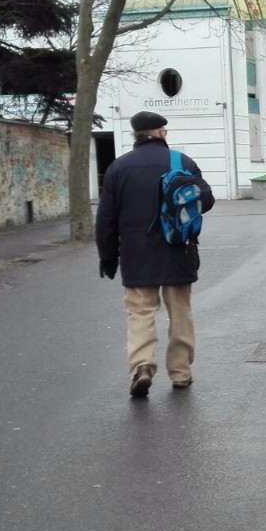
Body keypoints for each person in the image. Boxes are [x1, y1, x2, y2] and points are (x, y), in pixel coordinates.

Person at [96, 111, 215, 398]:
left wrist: (108, 256)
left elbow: (106, 218)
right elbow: (206, 200)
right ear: (161, 132)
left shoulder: (118, 167)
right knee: (180, 312)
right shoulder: (182, 162)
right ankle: (181, 372)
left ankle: (142, 367)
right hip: (178, 248)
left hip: (136, 252)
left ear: (136, 134)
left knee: (140, 312)